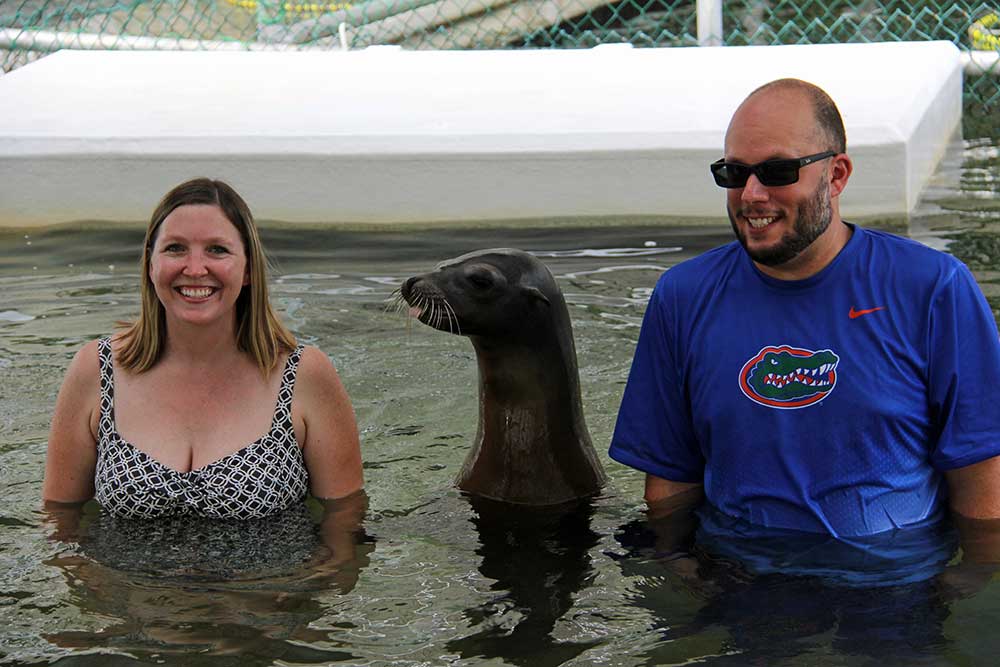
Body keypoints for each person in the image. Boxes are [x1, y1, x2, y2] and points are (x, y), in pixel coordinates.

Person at [609, 79, 1000, 553]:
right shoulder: (683, 297)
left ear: (836, 176)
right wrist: (684, 582)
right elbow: (670, 486)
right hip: (742, 580)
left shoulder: (932, 289)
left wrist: (970, 589)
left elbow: (983, 476)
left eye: (777, 171)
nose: (751, 194)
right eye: (734, 173)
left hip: (891, 584)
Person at [43, 177, 364, 519]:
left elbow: (344, 525)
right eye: (175, 248)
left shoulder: (304, 374)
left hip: (273, 575)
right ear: (151, 265)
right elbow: (60, 521)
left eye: (217, 250)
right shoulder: (96, 369)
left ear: (248, 270)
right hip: (121, 575)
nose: (195, 269)